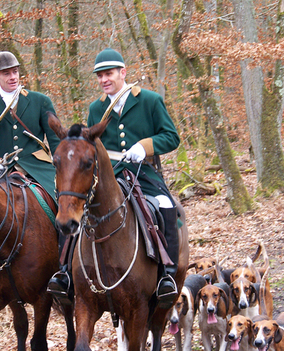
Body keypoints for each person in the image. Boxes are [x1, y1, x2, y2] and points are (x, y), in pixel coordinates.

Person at [88, 48, 181, 308]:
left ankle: (167, 276)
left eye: (109, 74)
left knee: (165, 206)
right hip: (110, 175)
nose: (104, 80)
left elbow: (172, 136)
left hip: (144, 173)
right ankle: (75, 274)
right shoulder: (96, 109)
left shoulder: (149, 100)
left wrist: (145, 146)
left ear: (123, 73)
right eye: (100, 76)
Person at [0, 51, 60, 200]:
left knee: (63, 203)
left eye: (15, 72)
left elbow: (56, 140)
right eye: (6, 74)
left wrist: (63, 169)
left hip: (38, 167)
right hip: (2, 169)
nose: (13, 77)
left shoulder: (40, 101)